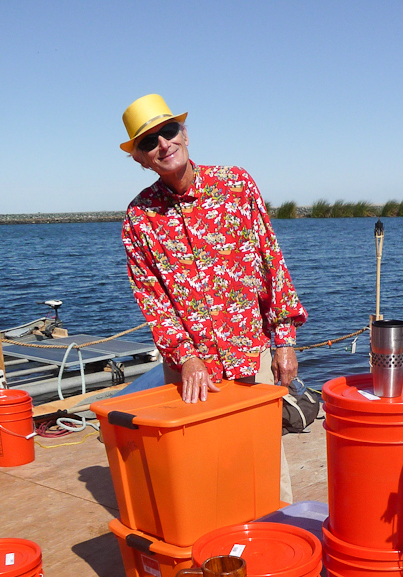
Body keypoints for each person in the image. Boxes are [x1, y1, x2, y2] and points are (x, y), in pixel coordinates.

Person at [120, 94, 307, 407]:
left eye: (169, 132)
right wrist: (187, 359)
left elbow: (272, 264)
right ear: (140, 158)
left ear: (185, 134)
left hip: (251, 361)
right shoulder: (139, 218)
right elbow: (153, 301)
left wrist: (285, 342)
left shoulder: (236, 185)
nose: (164, 144)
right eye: (150, 142)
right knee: (196, 456)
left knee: (263, 455)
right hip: (189, 375)